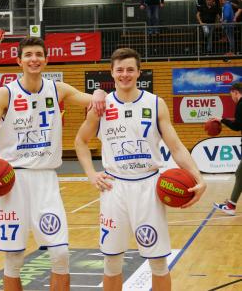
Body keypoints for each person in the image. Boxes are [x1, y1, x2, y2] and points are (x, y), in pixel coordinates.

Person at [0, 37, 106, 291]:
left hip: (46, 180)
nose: (33, 59)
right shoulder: (5, 93)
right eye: (28, 55)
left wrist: (99, 92)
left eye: (38, 54)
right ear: (19, 61)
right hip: (12, 182)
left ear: (46, 59)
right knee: (13, 258)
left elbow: (95, 100)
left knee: (61, 254)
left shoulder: (57, 89)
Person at [74, 48, 206, 291]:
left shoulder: (156, 104)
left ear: (139, 73)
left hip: (149, 187)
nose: (125, 74)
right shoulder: (101, 106)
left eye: (130, 70)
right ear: (112, 73)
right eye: (120, 70)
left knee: (158, 261)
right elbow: (80, 141)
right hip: (114, 188)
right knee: (112, 262)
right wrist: (91, 173)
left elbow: (176, 147)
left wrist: (198, 177)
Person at [212, 82, 242, 216]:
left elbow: (237, 126)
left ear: (236, 92)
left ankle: (230, 206)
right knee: (240, 174)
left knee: (240, 175)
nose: (232, 98)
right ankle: (231, 204)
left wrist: (222, 120)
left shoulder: (241, 104)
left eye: (231, 94)